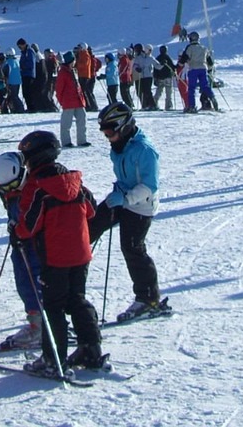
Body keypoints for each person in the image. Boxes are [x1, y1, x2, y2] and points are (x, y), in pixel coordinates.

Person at [14, 129, 104, 377]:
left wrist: (16, 229)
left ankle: (53, 359)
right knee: (77, 299)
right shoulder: (74, 181)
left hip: (55, 258)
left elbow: (28, 226)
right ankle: (91, 348)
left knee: (52, 306)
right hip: (80, 254)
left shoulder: (38, 188)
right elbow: (92, 210)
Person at [89, 103, 166, 322]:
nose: (106, 136)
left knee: (132, 247)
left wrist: (126, 199)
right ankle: (69, 288)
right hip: (121, 196)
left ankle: (148, 298)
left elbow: (150, 186)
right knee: (87, 229)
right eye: (103, 131)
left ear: (123, 127)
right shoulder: (120, 143)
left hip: (140, 205)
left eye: (109, 131)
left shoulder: (145, 150)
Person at [0, 150, 44, 350]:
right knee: (22, 277)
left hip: (35, 242)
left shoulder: (33, 184)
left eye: (14, 185)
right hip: (19, 239)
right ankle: (35, 320)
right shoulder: (5, 182)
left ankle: (44, 323)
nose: (10, 189)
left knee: (36, 276)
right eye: (5, 187)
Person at [55, 50, 90, 148]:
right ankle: (66, 142)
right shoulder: (63, 72)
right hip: (68, 102)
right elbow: (59, 89)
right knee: (66, 124)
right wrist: (62, 101)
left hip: (78, 100)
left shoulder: (73, 70)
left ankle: (82, 140)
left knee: (82, 120)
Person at [179, 31, 214, 113]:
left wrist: (180, 64)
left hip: (193, 69)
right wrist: (209, 69)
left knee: (191, 88)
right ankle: (212, 97)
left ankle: (192, 106)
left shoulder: (190, 48)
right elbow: (210, 62)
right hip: (203, 69)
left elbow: (184, 58)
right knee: (205, 85)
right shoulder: (204, 48)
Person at [153, 45, 177, 111]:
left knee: (159, 91)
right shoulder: (168, 57)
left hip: (160, 78)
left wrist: (155, 78)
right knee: (168, 92)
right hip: (168, 77)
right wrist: (174, 72)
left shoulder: (158, 58)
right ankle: (168, 106)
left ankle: (154, 103)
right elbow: (172, 66)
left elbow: (155, 69)